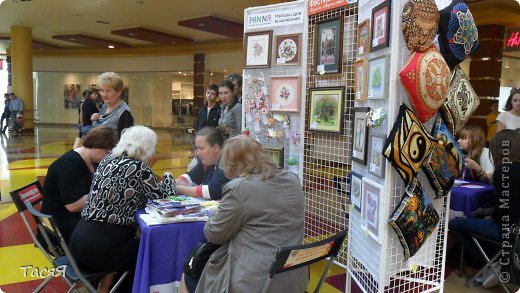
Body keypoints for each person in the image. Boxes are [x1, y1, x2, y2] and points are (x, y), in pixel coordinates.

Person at [181, 135, 308, 293]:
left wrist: (214, 214)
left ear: (232, 164)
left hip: (255, 281)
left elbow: (215, 234)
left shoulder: (239, 188)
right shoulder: (292, 179)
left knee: (189, 271)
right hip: (294, 276)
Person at [70, 125, 175, 291]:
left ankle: (107, 283)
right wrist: (169, 176)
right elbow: (165, 198)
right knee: (155, 249)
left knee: (135, 245)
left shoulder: (106, 161)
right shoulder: (140, 168)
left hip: (78, 243)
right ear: (147, 147)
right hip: (101, 251)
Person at [449, 129, 520, 288]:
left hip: (508, 232)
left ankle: (488, 260)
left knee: (454, 224)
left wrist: (488, 216)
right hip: (514, 230)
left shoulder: (504, 171)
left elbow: (502, 213)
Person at [40, 126, 118, 246]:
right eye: (107, 152)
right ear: (95, 145)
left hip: (72, 221)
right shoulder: (71, 164)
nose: (108, 156)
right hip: (64, 229)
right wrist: (107, 193)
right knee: (116, 234)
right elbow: (73, 205)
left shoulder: (89, 161)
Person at [176, 127, 229, 200]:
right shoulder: (209, 159)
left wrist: (176, 188)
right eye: (197, 148)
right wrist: (172, 183)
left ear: (215, 147)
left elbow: (212, 191)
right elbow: (191, 176)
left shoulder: (227, 161)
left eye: (201, 148)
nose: (197, 153)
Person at [91, 72, 134, 137]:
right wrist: (96, 119)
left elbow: (125, 142)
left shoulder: (124, 113)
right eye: (102, 91)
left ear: (119, 92)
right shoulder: (105, 106)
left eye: (108, 91)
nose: (104, 95)